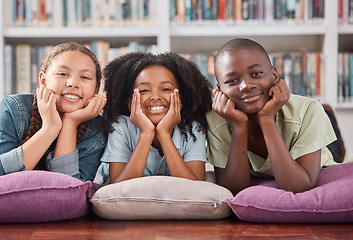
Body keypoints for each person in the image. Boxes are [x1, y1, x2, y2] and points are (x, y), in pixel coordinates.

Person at [207, 38, 338, 195]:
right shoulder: (215, 120)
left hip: (319, 162)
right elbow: (233, 189)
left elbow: (300, 187)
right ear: (219, 89)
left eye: (256, 74)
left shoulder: (308, 110)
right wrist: (239, 126)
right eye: (232, 80)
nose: (245, 86)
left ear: (274, 74)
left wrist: (267, 119)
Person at [0, 42, 107, 181]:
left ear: (96, 88)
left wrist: (70, 124)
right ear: (43, 81)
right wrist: (50, 129)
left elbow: (70, 191)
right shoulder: (13, 108)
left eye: (85, 77)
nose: (73, 83)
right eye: (63, 74)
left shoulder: (97, 131)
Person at [95, 52, 212, 184]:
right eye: (144, 90)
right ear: (130, 103)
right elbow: (117, 187)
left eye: (166, 89)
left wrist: (164, 134)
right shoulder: (120, 126)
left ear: (180, 100)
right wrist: (146, 133)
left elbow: (196, 188)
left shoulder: (193, 129)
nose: (155, 96)